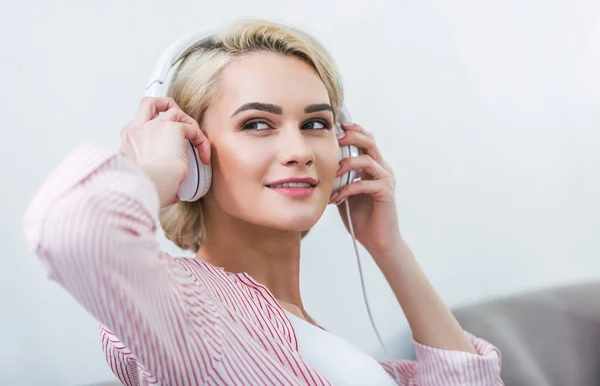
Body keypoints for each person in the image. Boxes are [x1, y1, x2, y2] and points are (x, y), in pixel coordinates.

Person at [23, 19, 503, 385]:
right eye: (257, 124)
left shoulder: (307, 335)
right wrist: (153, 170)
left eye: (315, 124)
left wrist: (389, 248)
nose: (298, 151)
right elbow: (71, 228)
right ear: (193, 153)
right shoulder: (180, 311)